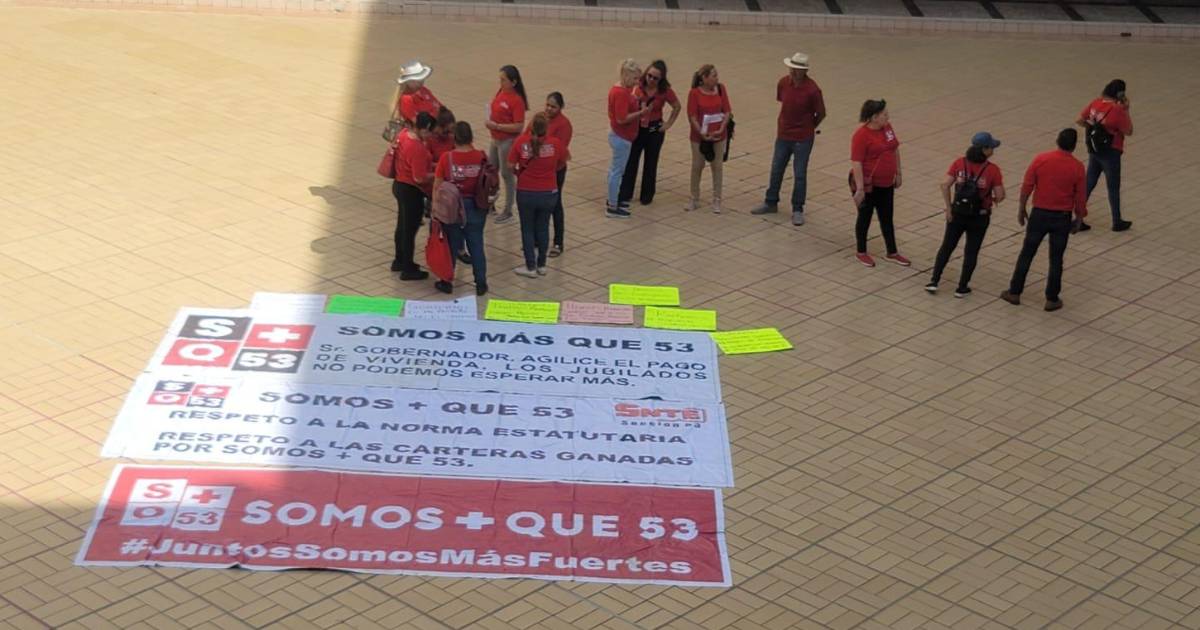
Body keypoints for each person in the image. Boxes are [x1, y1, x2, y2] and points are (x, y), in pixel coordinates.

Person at [1001, 129, 1087, 312]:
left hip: (1039, 214)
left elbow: (1027, 185)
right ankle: (1052, 299)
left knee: (1027, 253)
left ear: (1057, 141)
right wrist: (1079, 218)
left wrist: (1021, 208)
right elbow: (1080, 197)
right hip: (1062, 217)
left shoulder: (1041, 159)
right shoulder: (1077, 167)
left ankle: (1014, 292)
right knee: (1056, 259)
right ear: (1074, 146)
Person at [926, 132, 1006, 298]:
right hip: (979, 216)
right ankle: (962, 287)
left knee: (947, 246)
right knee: (971, 251)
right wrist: (989, 199)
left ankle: (934, 281)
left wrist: (949, 208)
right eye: (991, 147)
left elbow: (945, 185)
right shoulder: (992, 170)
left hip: (957, 213)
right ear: (985, 149)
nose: (993, 150)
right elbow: (1000, 196)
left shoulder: (959, 163)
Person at [751, 52, 826, 226]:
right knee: (776, 169)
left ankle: (797, 208)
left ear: (804, 71)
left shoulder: (813, 90)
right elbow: (783, 101)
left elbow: (821, 113)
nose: (792, 71)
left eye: (796, 69)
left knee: (799, 174)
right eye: (791, 68)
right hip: (783, 135)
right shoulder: (783, 83)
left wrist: (809, 126)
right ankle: (771, 202)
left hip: (803, 138)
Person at [850, 99, 910, 267]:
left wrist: (898, 172)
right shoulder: (861, 136)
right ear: (874, 117)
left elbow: (894, 149)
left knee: (887, 217)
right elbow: (856, 162)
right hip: (869, 185)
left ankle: (892, 252)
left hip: (886, 183)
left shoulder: (887, 128)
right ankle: (861, 251)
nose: (887, 117)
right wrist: (860, 188)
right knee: (865, 217)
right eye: (884, 114)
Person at [433, 122, 490, 296]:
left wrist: (435, 209)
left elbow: (437, 185)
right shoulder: (481, 156)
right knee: (476, 245)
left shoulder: (447, 158)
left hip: (453, 207)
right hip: (477, 206)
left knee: (451, 245)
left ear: (454, 138)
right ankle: (481, 283)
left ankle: (446, 282)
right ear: (471, 136)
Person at [509, 113, 570, 277]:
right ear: (546, 128)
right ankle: (542, 265)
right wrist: (551, 170)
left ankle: (530, 266)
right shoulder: (555, 143)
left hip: (526, 192)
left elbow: (509, 164)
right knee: (543, 228)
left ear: (531, 127)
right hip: (549, 193)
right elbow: (564, 160)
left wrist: (518, 173)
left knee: (527, 229)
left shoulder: (520, 142)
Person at [618, 60, 681, 209]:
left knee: (651, 163)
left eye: (655, 78)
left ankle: (647, 196)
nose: (651, 80)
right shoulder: (638, 85)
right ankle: (625, 193)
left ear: (661, 79)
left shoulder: (665, 91)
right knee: (631, 161)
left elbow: (677, 106)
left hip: (654, 130)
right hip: (638, 128)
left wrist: (668, 124)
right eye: (649, 76)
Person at [1076, 79, 1133, 232]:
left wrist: (1095, 128)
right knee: (1113, 187)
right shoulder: (1117, 110)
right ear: (1120, 94)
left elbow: (1080, 120)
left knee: (1089, 183)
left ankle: (1078, 218)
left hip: (1095, 149)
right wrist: (1126, 110)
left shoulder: (1095, 103)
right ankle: (1117, 221)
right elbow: (1128, 131)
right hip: (1111, 151)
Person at [391, 112, 437, 280]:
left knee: (402, 226)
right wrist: (438, 173)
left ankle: (399, 260)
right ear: (424, 129)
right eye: (430, 132)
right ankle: (408, 268)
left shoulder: (404, 135)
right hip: (411, 191)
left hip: (399, 185)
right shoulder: (417, 147)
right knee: (410, 230)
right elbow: (419, 177)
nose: (431, 136)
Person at [686, 64, 733, 214]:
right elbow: (692, 116)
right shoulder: (694, 93)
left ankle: (717, 199)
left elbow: (727, 111)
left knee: (717, 166)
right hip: (699, 137)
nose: (717, 78)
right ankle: (694, 197)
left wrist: (722, 128)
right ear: (704, 78)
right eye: (714, 76)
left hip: (719, 136)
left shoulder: (721, 89)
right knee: (697, 165)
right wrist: (701, 132)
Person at [607, 59, 650, 219]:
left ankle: (614, 199)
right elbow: (621, 118)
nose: (637, 82)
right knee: (617, 172)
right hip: (621, 136)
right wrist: (641, 113)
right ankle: (612, 206)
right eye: (635, 78)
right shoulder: (621, 93)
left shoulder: (625, 90)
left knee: (617, 170)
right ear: (625, 75)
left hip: (623, 136)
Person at [485, 65, 528, 225]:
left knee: (506, 174)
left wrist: (498, 126)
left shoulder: (517, 101)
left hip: (507, 141)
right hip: (495, 139)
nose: (501, 83)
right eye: (500, 79)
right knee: (491, 172)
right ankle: (490, 204)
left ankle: (508, 210)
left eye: (504, 80)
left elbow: (518, 126)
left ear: (513, 82)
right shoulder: (500, 92)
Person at [543, 92, 573, 257]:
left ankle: (558, 242)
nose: (549, 109)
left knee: (555, 205)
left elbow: (560, 151)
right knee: (539, 205)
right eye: (547, 105)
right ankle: (538, 239)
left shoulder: (564, 125)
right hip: (539, 170)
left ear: (560, 107)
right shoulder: (540, 118)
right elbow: (527, 137)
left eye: (553, 106)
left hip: (555, 171)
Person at [393, 61, 441, 126]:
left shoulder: (423, 90)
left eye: (421, 80)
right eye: (415, 81)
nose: (420, 83)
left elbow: (438, 105)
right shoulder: (406, 99)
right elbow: (418, 122)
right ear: (407, 82)